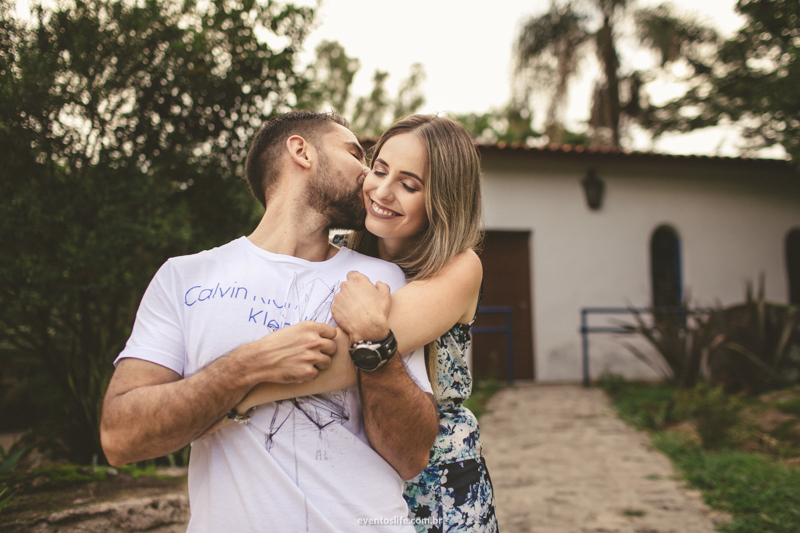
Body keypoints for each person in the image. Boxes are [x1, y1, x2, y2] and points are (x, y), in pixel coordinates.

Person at [99, 110, 439, 533]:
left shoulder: (382, 280)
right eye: (356, 155)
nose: (370, 177)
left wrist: (377, 346)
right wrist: (248, 364)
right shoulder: (184, 277)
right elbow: (120, 437)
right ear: (301, 151)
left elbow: (413, 456)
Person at [220, 115, 498, 532]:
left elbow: (351, 355)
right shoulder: (344, 253)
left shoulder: (459, 267)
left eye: (409, 185)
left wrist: (236, 395)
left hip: (439, 483)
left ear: (443, 199)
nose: (381, 192)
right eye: (379, 170)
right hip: (355, 477)